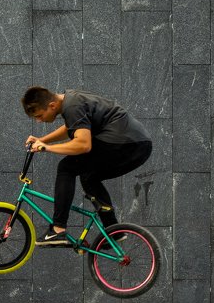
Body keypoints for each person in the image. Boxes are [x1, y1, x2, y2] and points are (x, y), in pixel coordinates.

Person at [22, 86, 152, 246]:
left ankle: (58, 230)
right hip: (137, 144)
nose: (39, 120)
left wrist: (46, 148)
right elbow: (72, 128)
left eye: (40, 116)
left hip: (127, 143)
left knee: (66, 167)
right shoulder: (70, 101)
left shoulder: (72, 106)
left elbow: (83, 144)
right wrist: (42, 140)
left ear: (52, 106)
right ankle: (114, 231)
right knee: (89, 177)